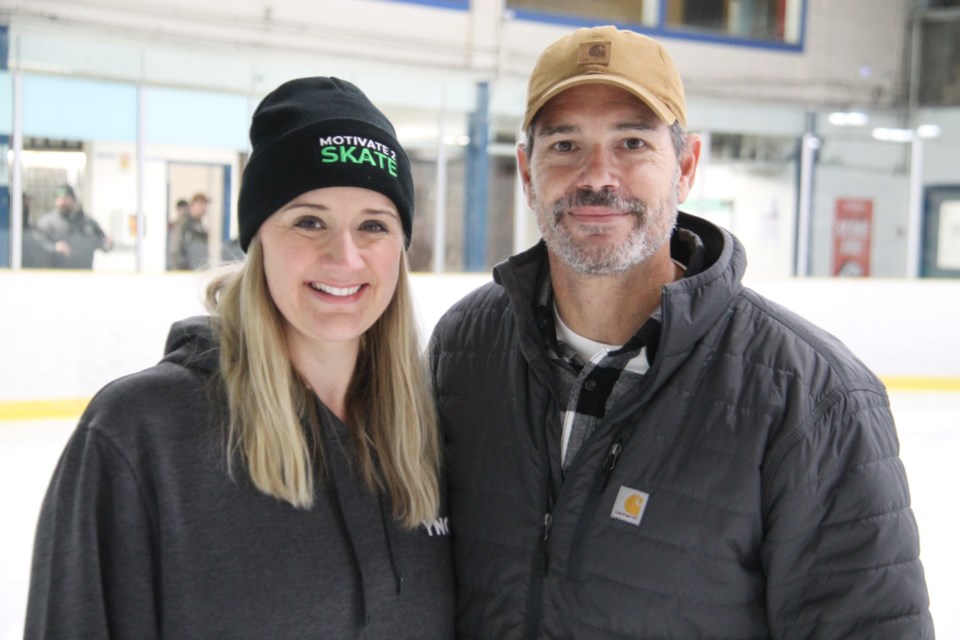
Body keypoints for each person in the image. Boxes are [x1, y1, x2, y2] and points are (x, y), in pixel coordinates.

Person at [429, 26, 933, 638]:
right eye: (564, 144)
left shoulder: (814, 397)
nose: (597, 176)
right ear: (528, 174)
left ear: (686, 167)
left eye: (632, 142)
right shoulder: (465, 347)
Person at [25, 77, 454, 639]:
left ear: (401, 247)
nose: (344, 257)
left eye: (374, 225)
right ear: (258, 241)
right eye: (308, 221)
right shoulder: (138, 434)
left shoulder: (429, 431)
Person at [35, 183, 113, 269]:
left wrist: (108, 244)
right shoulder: (47, 222)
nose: (62, 202)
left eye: (65, 198)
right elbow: (37, 245)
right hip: (57, 276)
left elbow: (103, 243)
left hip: (84, 275)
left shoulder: (88, 222)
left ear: (73, 199)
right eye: (58, 198)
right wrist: (54, 247)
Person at [168, 192, 211, 270]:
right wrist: (184, 268)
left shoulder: (201, 227)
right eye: (201, 203)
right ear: (192, 205)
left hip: (199, 271)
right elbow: (175, 249)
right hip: (186, 274)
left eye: (205, 204)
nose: (204, 207)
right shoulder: (183, 224)